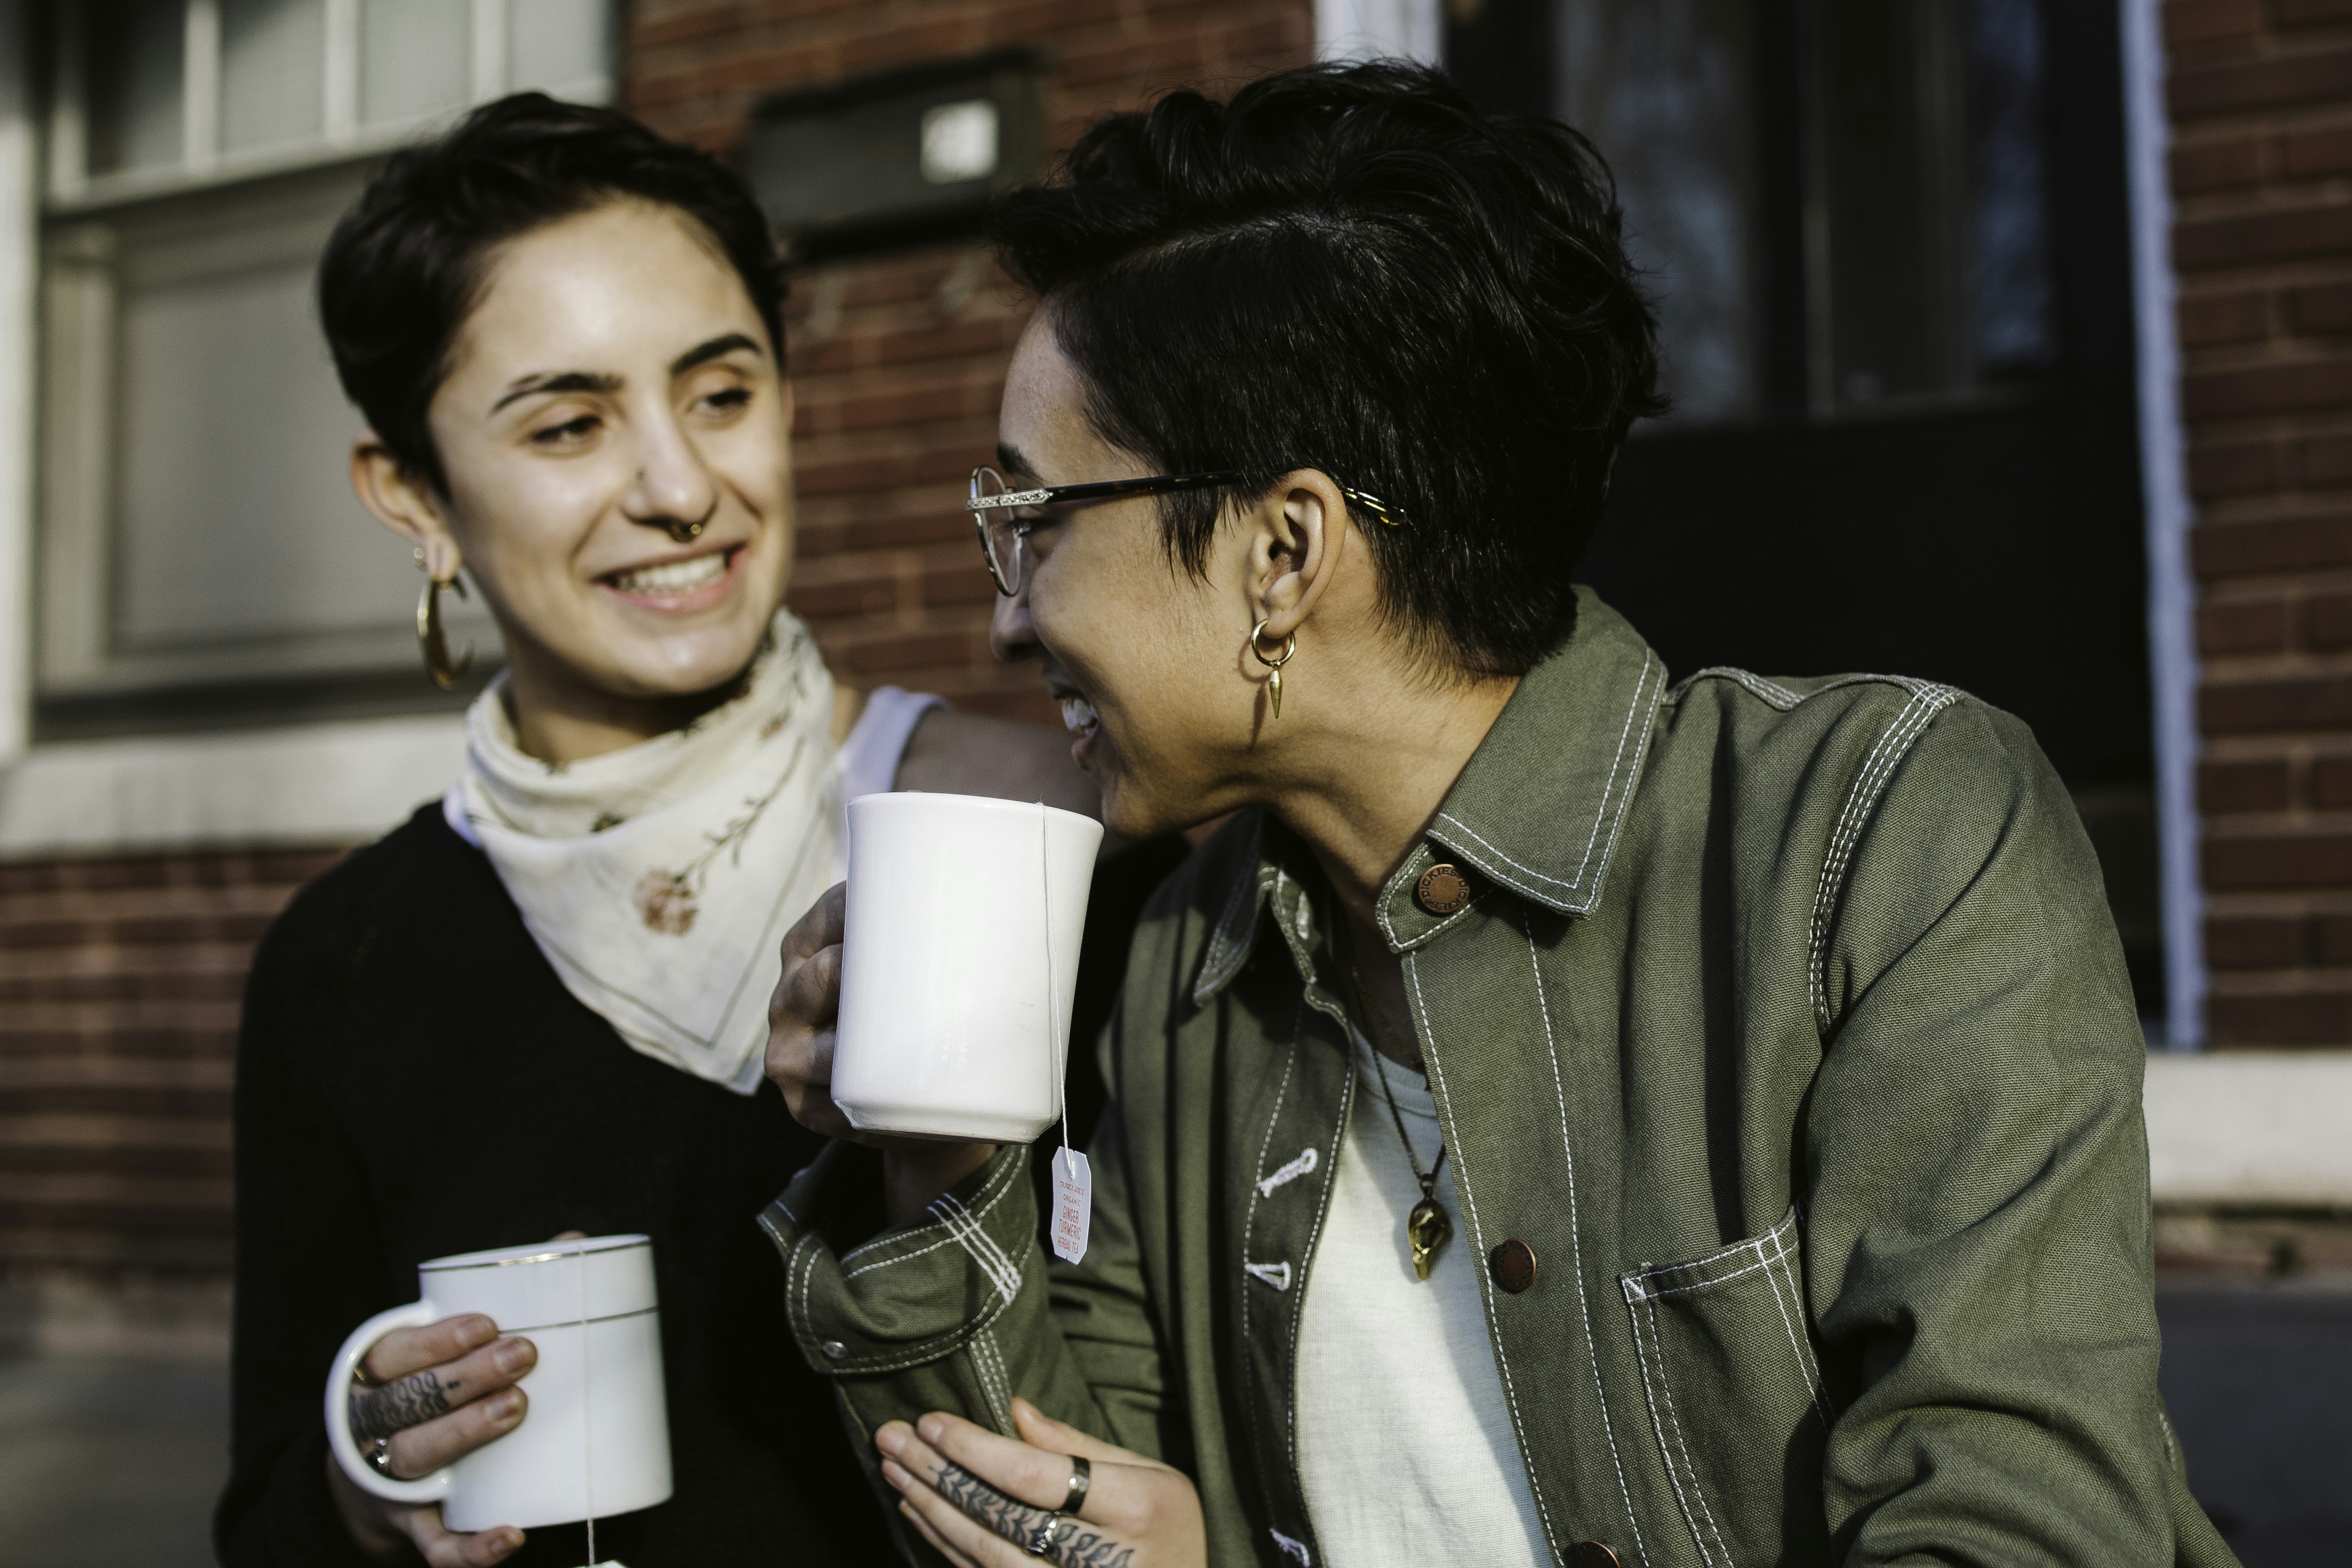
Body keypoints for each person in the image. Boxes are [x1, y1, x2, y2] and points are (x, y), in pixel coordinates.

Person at [761, 61, 2241, 1568]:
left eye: (1034, 521)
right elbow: (1071, 1496)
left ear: (1284, 552)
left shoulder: (1879, 843)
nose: (1007, 618)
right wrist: (936, 1146)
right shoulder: (1186, 972)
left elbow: (2014, 1530)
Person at [214, 95, 1180, 1568]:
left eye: (721, 393)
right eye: (570, 423)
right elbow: (268, 1513)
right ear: (412, 496)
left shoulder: (1059, 827)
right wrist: (368, 1472)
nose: (680, 489)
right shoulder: (344, 964)